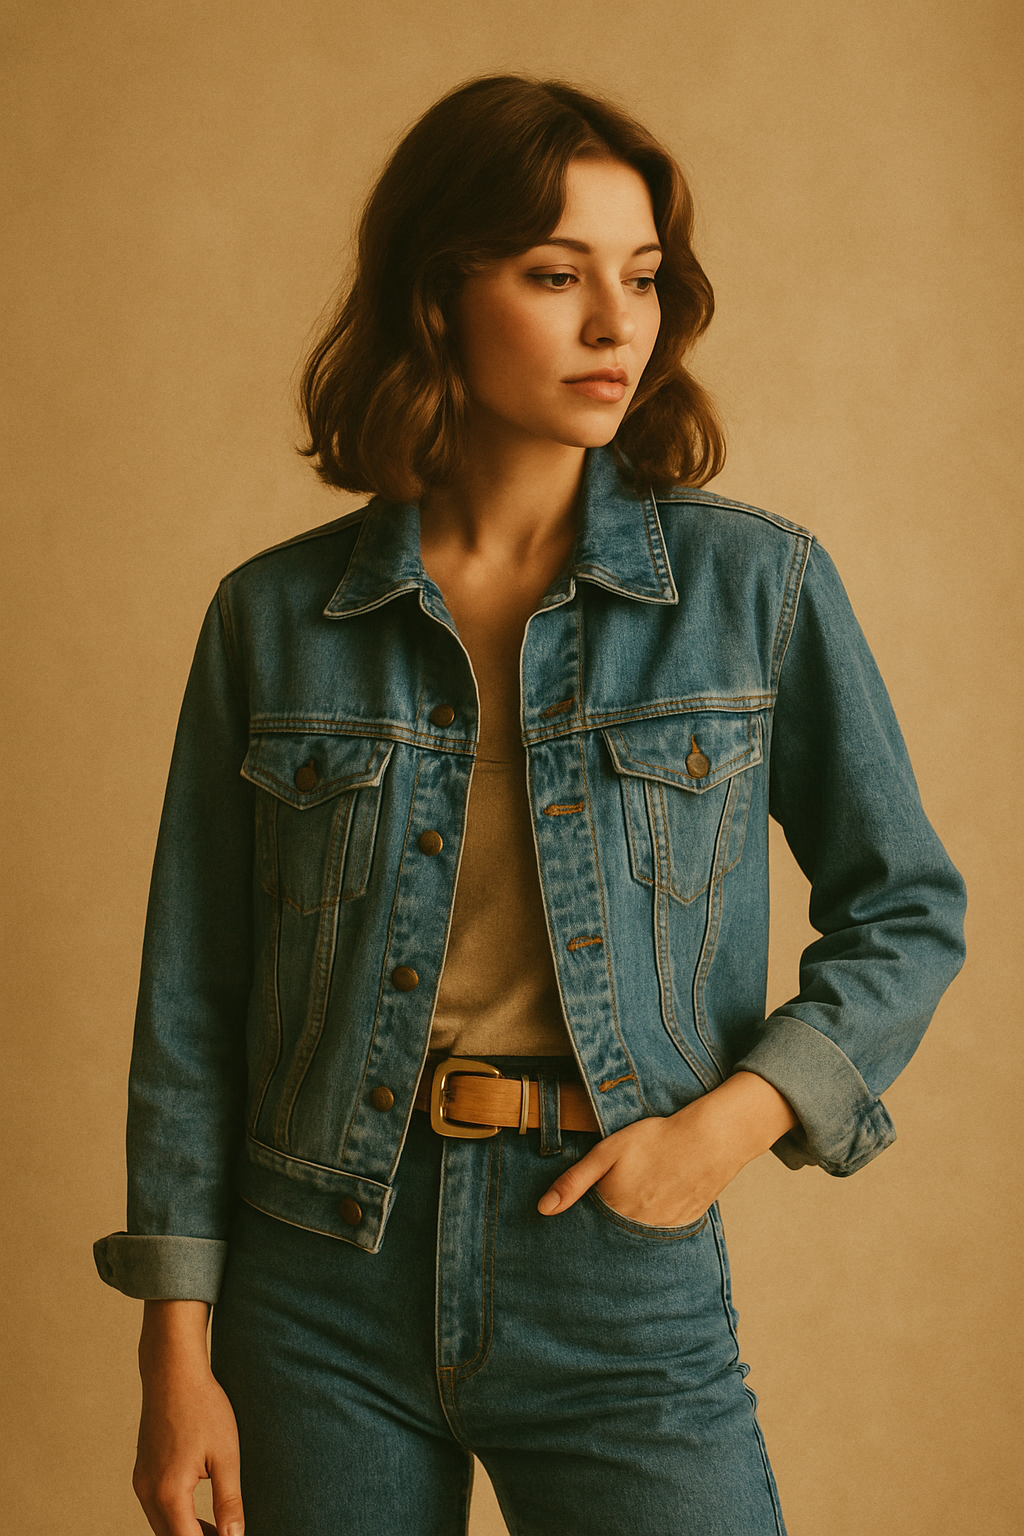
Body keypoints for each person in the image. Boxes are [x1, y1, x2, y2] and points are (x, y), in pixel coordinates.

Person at [93, 73, 967, 1536]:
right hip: (318, 1286)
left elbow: (909, 906)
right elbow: (195, 995)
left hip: (613, 1266)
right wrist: (173, 1340)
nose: (616, 325)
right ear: (438, 297)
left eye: (641, 279)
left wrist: (737, 1122)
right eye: (555, 275)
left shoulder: (753, 590)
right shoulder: (273, 619)